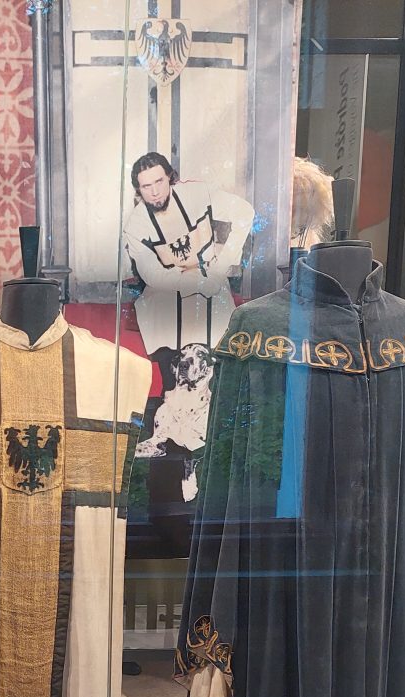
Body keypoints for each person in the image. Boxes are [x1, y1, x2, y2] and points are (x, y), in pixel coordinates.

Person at [122, 152, 254, 535]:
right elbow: (154, 276)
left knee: (215, 396)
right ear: (138, 191)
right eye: (145, 187)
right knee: (173, 400)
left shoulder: (198, 195)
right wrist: (198, 280)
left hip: (212, 307)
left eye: (159, 182)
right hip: (167, 313)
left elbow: (245, 212)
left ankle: (211, 499)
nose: (154, 191)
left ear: (171, 178)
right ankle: (168, 509)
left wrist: (224, 262)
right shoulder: (135, 225)